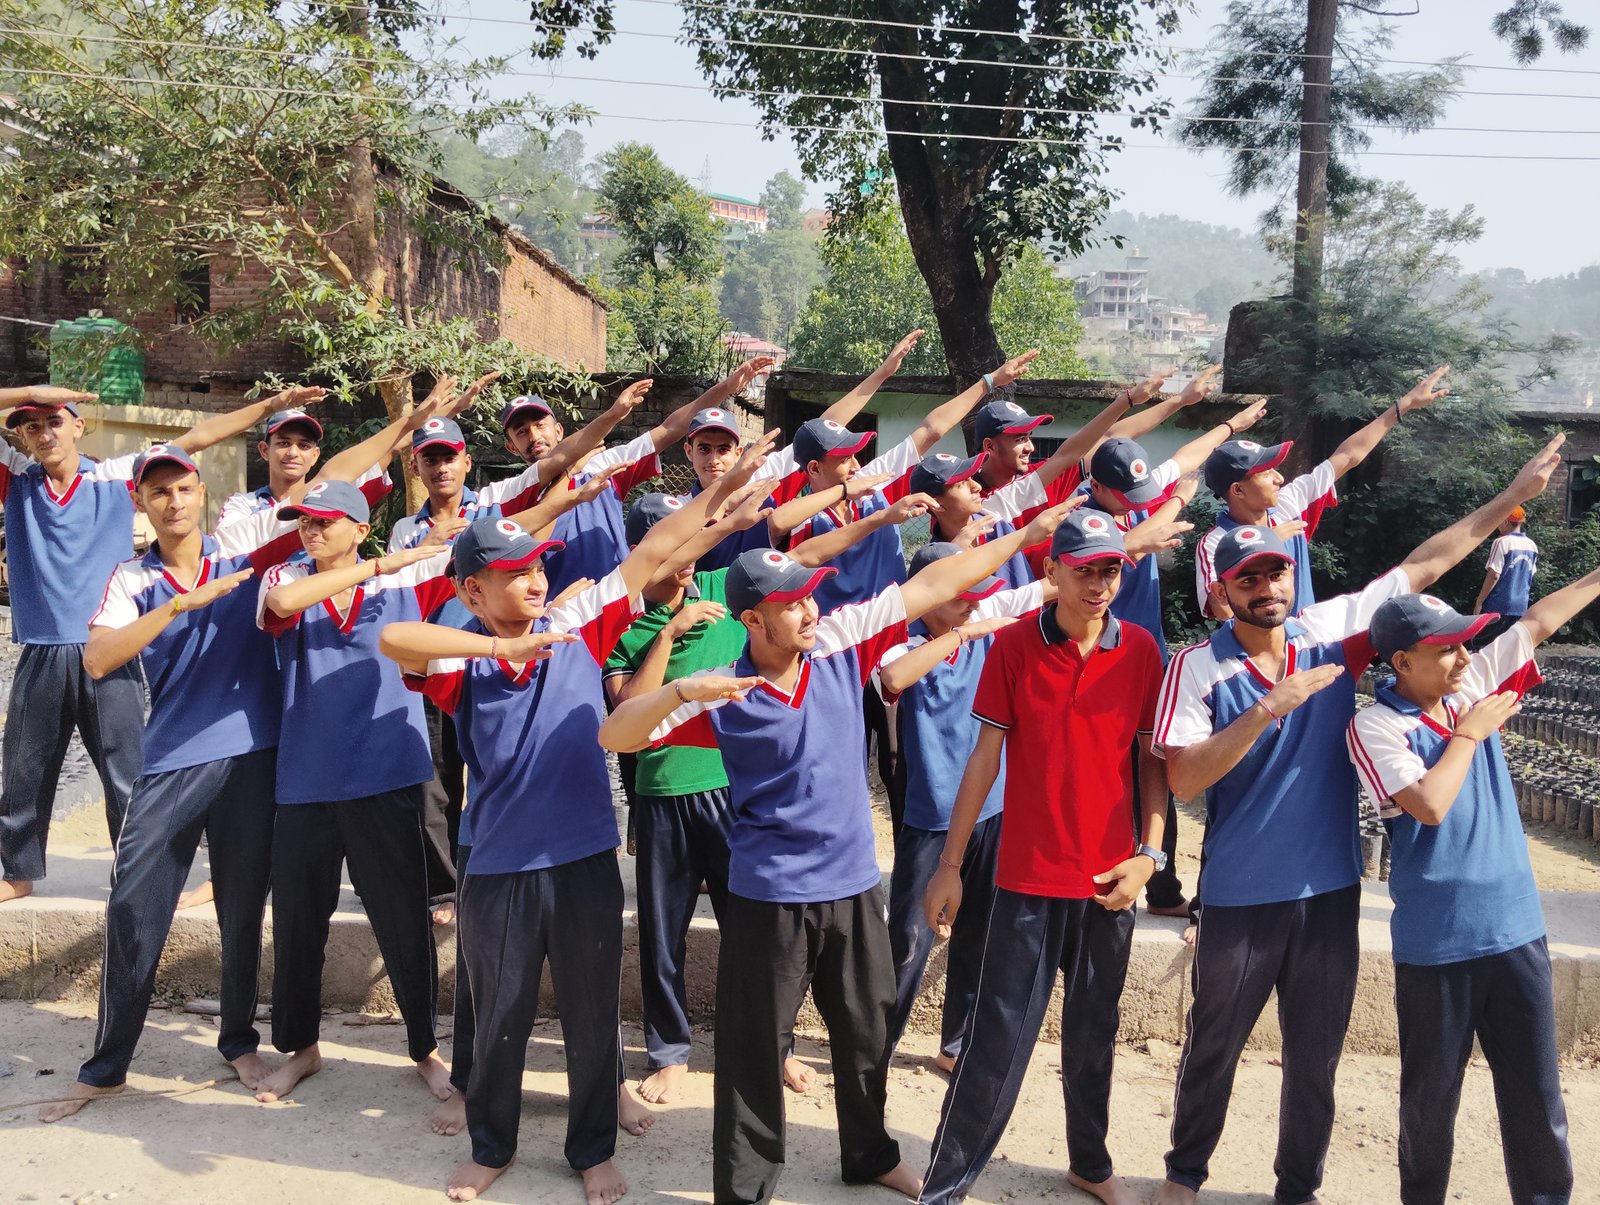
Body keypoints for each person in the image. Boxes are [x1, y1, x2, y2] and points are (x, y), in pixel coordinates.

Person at [598, 502, 1073, 1205]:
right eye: (791, 604)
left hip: (852, 887)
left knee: (865, 1032)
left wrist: (1027, 537)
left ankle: (869, 1154)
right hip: (769, 896)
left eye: (810, 596)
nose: (809, 611)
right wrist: (680, 688)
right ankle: (747, 1188)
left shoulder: (837, 644)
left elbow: (932, 586)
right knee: (754, 1049)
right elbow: (617, 735)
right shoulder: (723, 692)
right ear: (752, 620)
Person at [1148, 434, 1566, 1205]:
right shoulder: (1196, 668)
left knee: (1316, 1058)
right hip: (1241, 890)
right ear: (1223, 591)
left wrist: (1511, 497)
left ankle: (1297, 1187)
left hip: (1330, 888)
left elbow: (1424, 566)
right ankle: (1184, 1175)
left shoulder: (1327, 632)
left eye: (1276, 570)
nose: (1267, 585)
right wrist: (1266, 709)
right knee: (1214, 1044)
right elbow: (1182, 777)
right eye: (1248, 577)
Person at [379, 436, 776, 1205]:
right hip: (500, 864)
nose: (535, 580)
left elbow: (656, 547)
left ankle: (591, 1148)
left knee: (593, 1014)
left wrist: (722, 492)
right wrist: (504, 643)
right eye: (514, 572)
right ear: (472, 591)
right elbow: (397, 638)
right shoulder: (462, 658)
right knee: (500, 1014)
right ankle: (492, 1145)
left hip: (586, 856)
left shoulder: (579, 620)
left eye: (538, 567)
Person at [34, 404, 424, 1123]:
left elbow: (331, 482)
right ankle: (107, 1064)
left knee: (243, 910)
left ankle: (239, 1041)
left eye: (183, 488)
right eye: (158, 492)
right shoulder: (131, 580)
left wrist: (408, 423)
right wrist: (177, 608)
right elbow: (97, 658)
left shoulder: (244, 555)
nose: (173, 501)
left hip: (255, 758)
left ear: (202, 494)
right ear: (141, 503)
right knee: (132, 904)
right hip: (173, 760)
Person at [604, 482, 938, 1106]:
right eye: (669, 545)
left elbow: (805, 560)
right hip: (662, 789)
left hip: (731, 794)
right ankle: (670, 1052)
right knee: (662, 930)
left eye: (691, 541)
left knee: (756, 937)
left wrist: (881, 516)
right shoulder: (625, 626)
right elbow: (624, 716)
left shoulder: (726, 587)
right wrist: (670, 638)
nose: (683, 556)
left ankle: (778, 1048)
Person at [916, 510, 1187, 1205]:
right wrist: (949, 865)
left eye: (1110, 569)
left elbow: (1151, 762)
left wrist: (1150, 854)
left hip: (1110, 880)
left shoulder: (1141, 650)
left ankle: (1089, 1163)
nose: (1099, 583)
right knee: (997, 1037)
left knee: (1094, 1032)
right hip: (1027, 878)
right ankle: (944, 1187)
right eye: (1085, 569)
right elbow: (985, 757)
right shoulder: (1013, 645)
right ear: (1053, 571)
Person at [0, 383, 328, 904]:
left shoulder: (113, 476)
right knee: (24, 767)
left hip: (112, 642)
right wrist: (32, 391)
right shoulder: (18, 479)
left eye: (54, 422)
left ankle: (137, 869)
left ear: (78, 426)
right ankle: (17, 871)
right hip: (42, 645)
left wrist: (269, 406)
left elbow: (199, 436)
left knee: (126, 771)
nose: (44, 435)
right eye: (31, 426)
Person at [1349, 577, 1598, 1205]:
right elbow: (1429, 805)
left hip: (1516, 929)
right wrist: (1467, 735)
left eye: (1466, 645)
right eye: (1447, 649)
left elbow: (1537, 622)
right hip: (1438, 943)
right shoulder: (1377, 727)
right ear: (1402, 661)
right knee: (1429, 1099)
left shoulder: (1469, 689)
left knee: (1537, 1095)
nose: (1465, 658)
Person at [873, 546, 1048, 1076]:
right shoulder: (903, 643)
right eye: (961, 598)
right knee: (909, 939)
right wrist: (964, 634)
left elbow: (1050, 589)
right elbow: (893, 678)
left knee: (981, 931)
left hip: (993, 807)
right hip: (932, 819)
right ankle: (875, 1048)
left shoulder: (983, 625)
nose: (974, 606)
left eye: (978, 598)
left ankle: (956, 1044)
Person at [1195, 366, 1453, 620]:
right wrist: (1264, 544)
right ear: (1238, 490)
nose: (1279, 478)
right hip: (1256, 647)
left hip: (1304, 639)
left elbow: (1347, 456)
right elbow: (1223, 612)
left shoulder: (1288, 505)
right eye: (1265, 473)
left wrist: (1404, 405)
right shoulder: (1214, 544)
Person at [499, 359, 771, 593]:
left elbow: (671, 428)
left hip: (616, 601)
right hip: (560, 610)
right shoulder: (510, 497)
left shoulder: (602, 467)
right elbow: (536, 542)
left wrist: (727, 387)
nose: (534, 436)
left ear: (558, 430)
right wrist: (568, 470)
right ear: (512, 447)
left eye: (540, 425)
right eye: (521, 432)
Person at [1471, 504, 1539, 647]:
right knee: (1506, 648)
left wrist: (1479, 602)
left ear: (1506, 522)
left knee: (1480, 646)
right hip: (1520, 606)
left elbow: (1494, 575)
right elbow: (1530, 575)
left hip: (1497, 605)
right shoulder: (1532, 545)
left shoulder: (1501, 542)